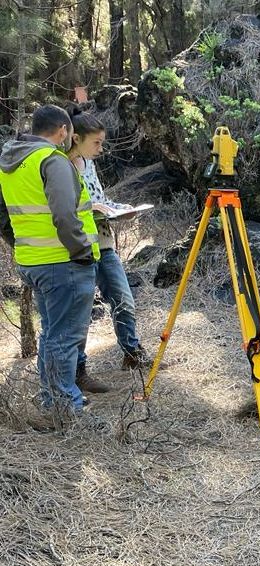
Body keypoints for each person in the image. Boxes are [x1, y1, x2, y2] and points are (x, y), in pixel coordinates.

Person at [0, 104, 100, 418]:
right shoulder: (51, 161)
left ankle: (52, 398)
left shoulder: (14, 161)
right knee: (65, 337)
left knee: (52, 334)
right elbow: (64, 216)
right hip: (63, 261)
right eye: (68, 131)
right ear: (61, 130)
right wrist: (82, 251)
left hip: (34, 260)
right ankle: (63, 404)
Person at [65, 105, 148, 394]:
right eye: (96, 142)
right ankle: (78, 371)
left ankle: (132, 353)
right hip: (78, 249)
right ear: (76, 138)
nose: (101, 148)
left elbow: (98, 199)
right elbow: (65, 211)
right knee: (80, 313)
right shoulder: (59, 165)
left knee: (124, 298)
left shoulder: (89, 164)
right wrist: (92, 208)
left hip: (104, 242)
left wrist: (119, 209)